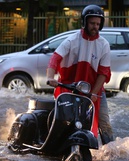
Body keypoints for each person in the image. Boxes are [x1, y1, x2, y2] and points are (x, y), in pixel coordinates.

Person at [46, 4, 114, 145]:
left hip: (94, 91)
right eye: (92, 23)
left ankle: (110, 150)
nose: (95, 27)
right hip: (70, 88)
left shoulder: (104, 45)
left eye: (97, 24)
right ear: (84, 22)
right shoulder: (72, 40)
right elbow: (55, 58)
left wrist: (94, 94)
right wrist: (50, 77)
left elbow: (103, 73)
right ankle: (56, 145)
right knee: (61, 119)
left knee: (104, 121)